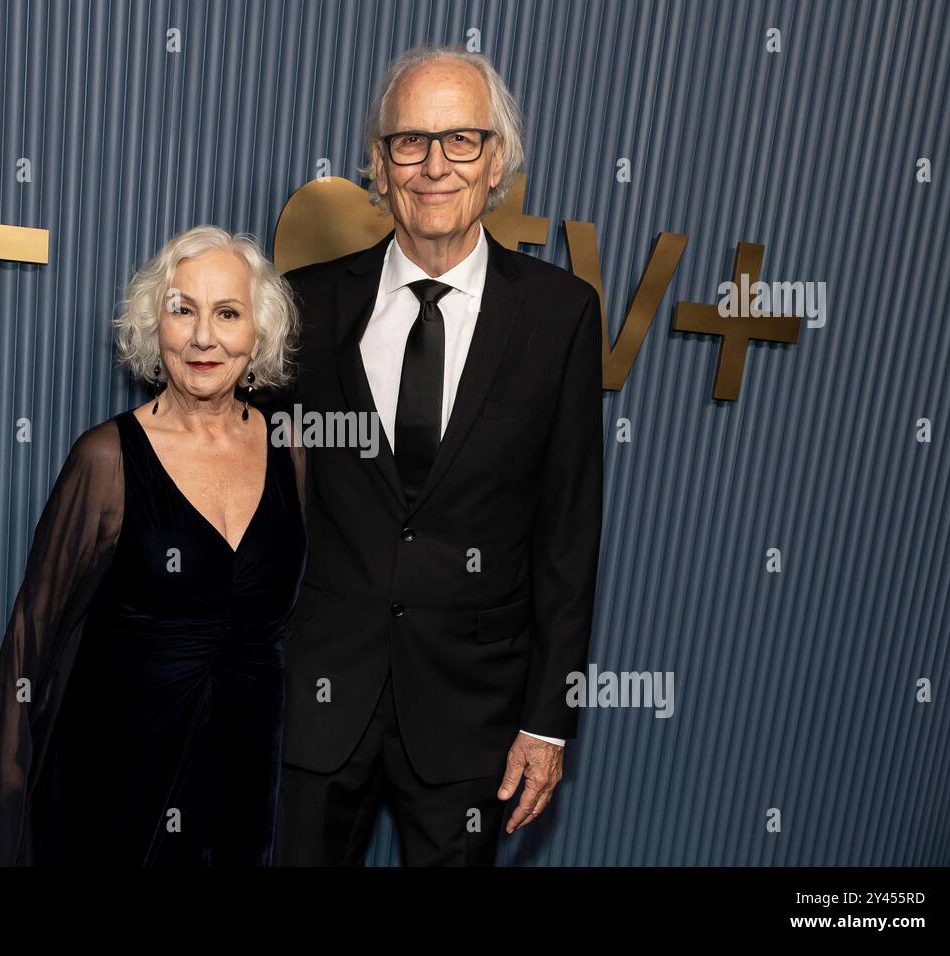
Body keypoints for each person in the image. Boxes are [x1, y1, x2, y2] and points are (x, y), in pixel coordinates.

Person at [263, 45, 604, 866]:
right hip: (318, 697)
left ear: (498, 164)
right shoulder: (306, 305)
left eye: (461, 141)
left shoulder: (560, 313)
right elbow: (259, 499)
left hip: (473, 711)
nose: (433, 166)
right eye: (409, 142)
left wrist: (547, 718)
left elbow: (569, 530)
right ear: (378, 166)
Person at [0, 225, 305, 865]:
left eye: (227, 313)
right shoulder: (107, 459)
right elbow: (31, 635)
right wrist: (1, 782)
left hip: (244, 772)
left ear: (257, 333)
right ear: (157, 328)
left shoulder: (290, 452)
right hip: (114, 777)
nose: (204, 336)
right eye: (183, 311)